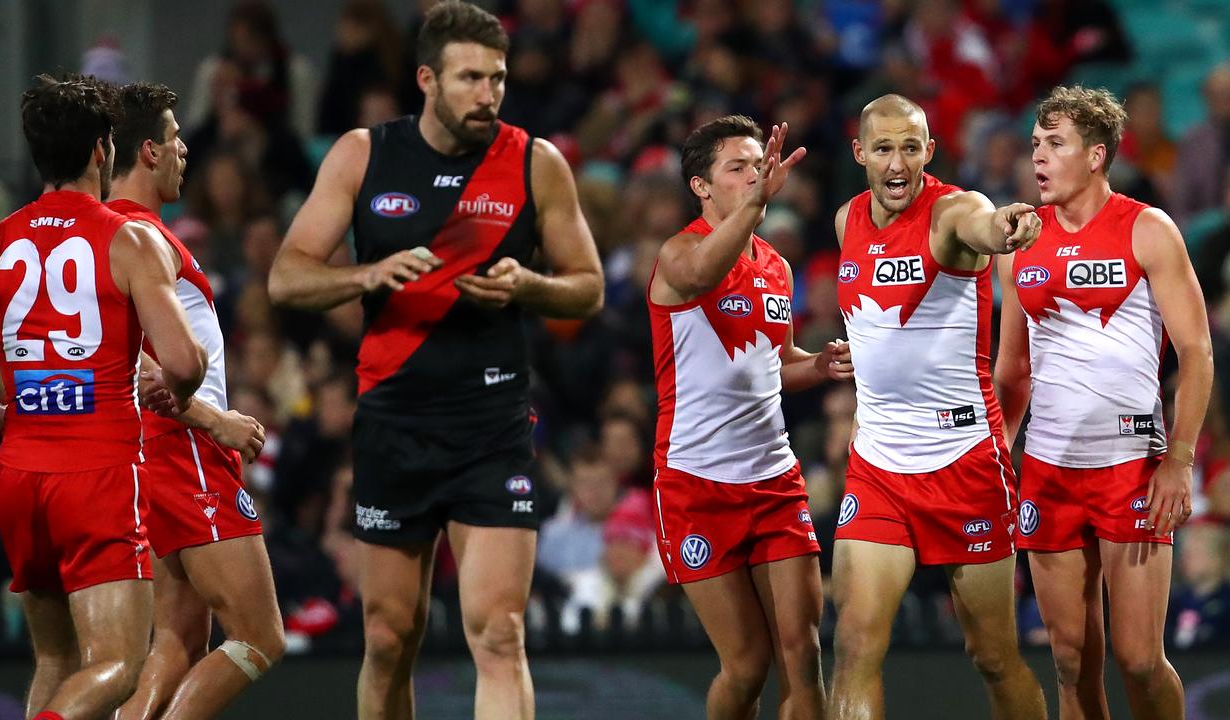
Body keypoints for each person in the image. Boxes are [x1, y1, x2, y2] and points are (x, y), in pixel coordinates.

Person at [266, 2, 603, 718]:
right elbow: (287, 277)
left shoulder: (536, 163)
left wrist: (530, 284)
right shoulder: (364, 153)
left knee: (500, 632)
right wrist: (364, 276)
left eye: (498, 79)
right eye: (470, 78)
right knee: (390, 637)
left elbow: (589, 288)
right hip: (394, 422)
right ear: (427, 79)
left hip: (493, 425)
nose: (488, 95)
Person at [0, 74, 207, 720]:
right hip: (99, 473)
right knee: (117, 667)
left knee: (57, 663)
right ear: (102, 149)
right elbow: (181, 359)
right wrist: (185, 382)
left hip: (21, 476)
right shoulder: (128, 240)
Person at [995, 84, 1211, 720]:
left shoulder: (1147, 228)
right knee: (1069, 658)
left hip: (1132, 467)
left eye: (1054, 145)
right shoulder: (1019, 242)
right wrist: (998, 452)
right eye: (1035, 144)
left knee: (1140, 660)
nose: (1037, 157)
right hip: (1049, 472)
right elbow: (1013, 368)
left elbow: (1196, 355)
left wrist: (1178, 460)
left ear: (1095, 156)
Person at [828, 94, 1047, 720]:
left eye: (910, 147)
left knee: (993, 657)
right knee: (854, 643)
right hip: (878, 466)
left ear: (930, 150)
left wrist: (1008, 226)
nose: (897, 164)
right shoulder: (847, 221)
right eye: (883, 148)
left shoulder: (955, 211)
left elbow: (986, 224)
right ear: (860, 153)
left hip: (965, 464)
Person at [649, 115, 853, 720]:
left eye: (756, 166)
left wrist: (818, 366)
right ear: (701, 187)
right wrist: (757, 205)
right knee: (745, 667)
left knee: (803, 651)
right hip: (695, 483)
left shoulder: (775, 267)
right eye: (737, 168)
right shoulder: (678, 253)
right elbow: (702, 275)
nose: (754, 176)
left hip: (773, 480)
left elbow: (776, 362)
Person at [106, 81, 285, 720]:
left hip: (158, 453)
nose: (186, 153)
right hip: (182, 449)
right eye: (178, 140)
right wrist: (216, 421)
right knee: (262, 636)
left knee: (180, 642)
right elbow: (128, 361)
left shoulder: (130, 232)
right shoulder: (133, 238)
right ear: (150, 152)